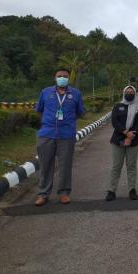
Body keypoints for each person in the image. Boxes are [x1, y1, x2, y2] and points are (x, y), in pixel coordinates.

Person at [35, 67, 84, 206]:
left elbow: (80, 112)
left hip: (66, 135)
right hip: (46, 134)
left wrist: (68, 123)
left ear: (69, 79)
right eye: (59, 75)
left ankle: (64, 193)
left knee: (65, 165)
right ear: (55, 78)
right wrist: (47, 123)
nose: (62, 78)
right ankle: (43, 194)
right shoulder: (45, 92)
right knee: (45, 165)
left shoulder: (75, 94)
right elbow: (39, 110)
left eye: (65, 76)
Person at [106, 85, 138, 201]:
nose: (129, 93)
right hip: (118, 140)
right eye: (127, 92)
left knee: (131, 166)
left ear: (135, 93)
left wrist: (131, 135)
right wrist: (125, 133)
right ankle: (111, 190)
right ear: (124, 93)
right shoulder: (118, 106)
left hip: (134, 140)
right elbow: (115, 122)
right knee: (116, 166)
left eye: (131, 92)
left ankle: (132, 190)